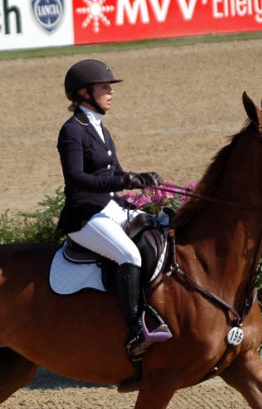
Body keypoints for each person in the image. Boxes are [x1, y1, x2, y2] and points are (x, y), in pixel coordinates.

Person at [57, 59, 163, 361]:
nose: (110, 92)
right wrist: (123, 180)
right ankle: (133, 333)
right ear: (84, 92)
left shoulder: (101, 129)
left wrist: (139, 178)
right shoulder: (72, 131)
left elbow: (115, 172)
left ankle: (153, 310)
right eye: (104, 87)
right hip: (83, 215)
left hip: (107, 205)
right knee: (128, 255)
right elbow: (76, 178)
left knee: (155, 230)